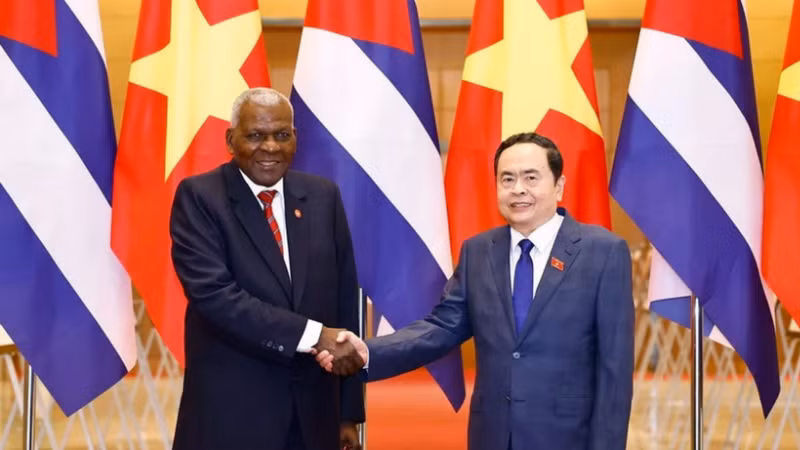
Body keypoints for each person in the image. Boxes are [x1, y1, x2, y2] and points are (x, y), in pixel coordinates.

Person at [318, 132, 634, 449]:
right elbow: (440, 328)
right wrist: (368, 352)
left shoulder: (602, 252)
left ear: (559, 186)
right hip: (493, 436)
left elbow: (614, 370)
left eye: (531, 177)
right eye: (507, 179)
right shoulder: (479, 252)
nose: (518, 189)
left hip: (568, 437)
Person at [169, 87, 365, 450]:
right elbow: (215, 298)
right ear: (231, 139)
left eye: (281, 135)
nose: (270, 147)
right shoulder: (199, 198)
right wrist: (312, 335)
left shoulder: (323, 197)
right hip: (232, 418)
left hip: (314, 416)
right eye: (255, 136)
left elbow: (343, 304)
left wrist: (348, 411)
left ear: (295, 138)